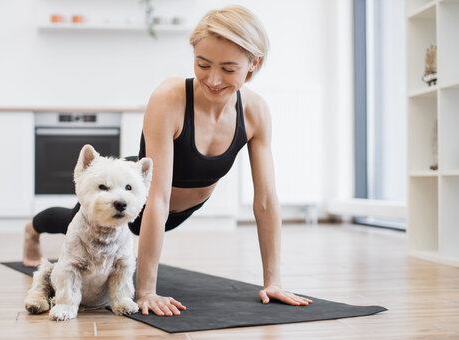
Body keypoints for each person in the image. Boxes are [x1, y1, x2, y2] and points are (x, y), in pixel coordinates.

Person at [23, 5, 312, 316]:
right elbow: (157, 198)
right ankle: (32, 230)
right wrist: (146, 291)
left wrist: (274, 281)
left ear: (253, 63)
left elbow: (266, 200)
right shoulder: (170, 98)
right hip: (141, 196)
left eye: (228, 69)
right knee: (71, 220)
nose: (213, 79)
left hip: (183, 209)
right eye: (203, 64)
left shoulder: (255, 112)